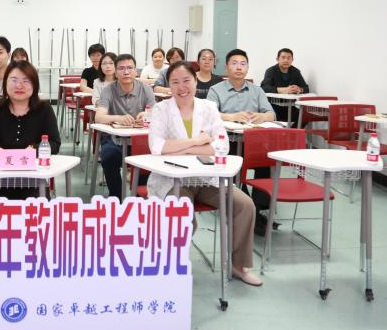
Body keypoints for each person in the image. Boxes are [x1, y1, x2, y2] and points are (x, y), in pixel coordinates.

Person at [147, 61, 262, 286]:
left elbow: (222, 146)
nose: (182, 87)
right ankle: (171, 264)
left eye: (186, 80)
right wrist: (197, 142)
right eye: (175, 82)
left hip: (207, 177)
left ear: (195, 81)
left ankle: (239, 266)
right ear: (169, 85)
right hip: (174, 179)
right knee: (182, 216)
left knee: (245, 205)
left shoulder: (208, 107)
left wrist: (182, 147)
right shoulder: (162, 109)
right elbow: (157, 147)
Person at [207, 48, 277, 233]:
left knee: (266, 162)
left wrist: (262, 117)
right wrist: (232, 116)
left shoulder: (257, 90)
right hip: (227, 143)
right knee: (232, 166)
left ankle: (258, 208)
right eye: (234, 63)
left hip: (253, 142)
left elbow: (271, 113)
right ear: (226, 67)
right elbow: (210, 115)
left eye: (243, 64)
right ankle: (246, 209)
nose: (239, 67)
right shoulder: (216, 90)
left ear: (247, 67)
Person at [0, 60, 61, 198]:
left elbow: (54, 143)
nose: (19, 85)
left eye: (26, 81)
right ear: (5, 83)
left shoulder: (44, 110)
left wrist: (33, 150)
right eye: (13, 80)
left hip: (33, 178)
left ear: (34, 85)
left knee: (38, 208)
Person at [94, 53, 156, 200]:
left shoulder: (146, 89)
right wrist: (118, 118)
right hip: (115, 139)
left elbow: (156, 113)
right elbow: (99, 117)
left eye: (130, 68)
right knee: (108, 157)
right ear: (116, 72)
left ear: (136, 71)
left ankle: (139, 196)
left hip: (141, 140)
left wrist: (146, 114)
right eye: (121, 68)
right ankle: (116, 197)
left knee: (147, 160)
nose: (126, 72)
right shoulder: (108, 90)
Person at [261, 48, 310, 122]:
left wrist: (299, 89)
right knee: (274, 116)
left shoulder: (295, 71)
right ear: (277, 59)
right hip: (273, 104)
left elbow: (306, 88)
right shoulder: (271, 71)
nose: (286, 60)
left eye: (289, 58)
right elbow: (264, 87)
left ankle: (292, 129)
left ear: (292, 60)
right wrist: (284, 90)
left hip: (292, 105)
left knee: (304, 116)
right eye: (283, 57)